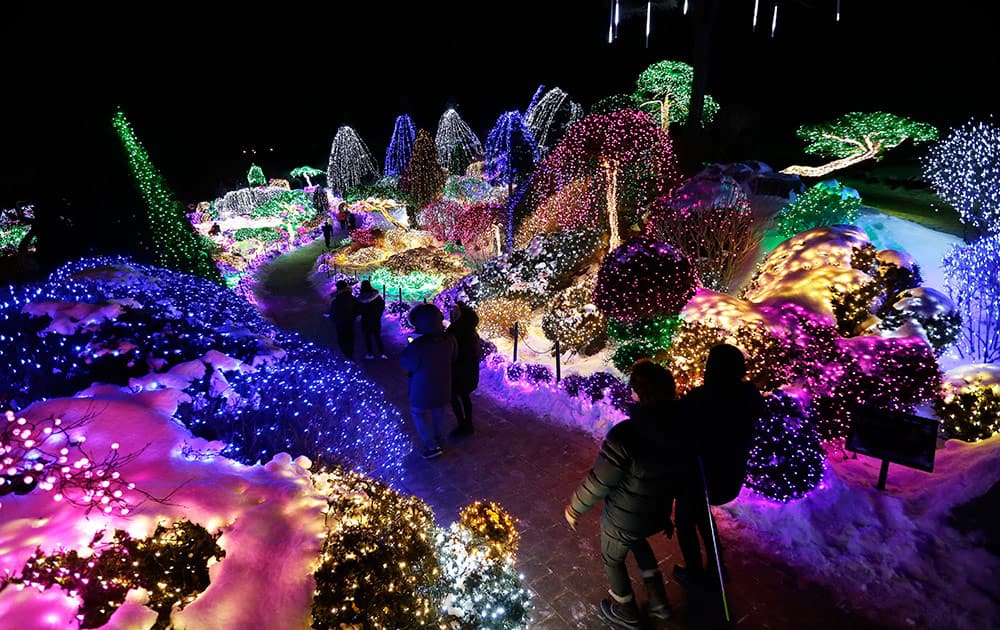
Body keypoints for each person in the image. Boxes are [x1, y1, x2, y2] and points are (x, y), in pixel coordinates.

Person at [564, 359, 681, 628]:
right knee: (638, 540)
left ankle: (625, 609)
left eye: (634, 388)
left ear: (640, 395)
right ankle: (658, 601)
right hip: (656, 511)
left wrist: (574, 508)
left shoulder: (627, 436)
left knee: (612, 557)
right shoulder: (679, 431)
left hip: (624, 517)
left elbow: (599, 482)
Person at [673, 343, 764, 594]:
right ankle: (717, 565)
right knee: (701, 514)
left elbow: (684, 436)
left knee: (685, 520)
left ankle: (694, 573)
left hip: (703, 478)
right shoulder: (748, 398)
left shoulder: (701, 400)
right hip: (729, 479)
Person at [399, 304, 458, 460]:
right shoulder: (450, 339)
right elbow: (454, 358)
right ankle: (440, 439)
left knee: (417, 412)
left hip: (422, 387)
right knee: (439, 411)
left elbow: (407, 365)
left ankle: (431, 446)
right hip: (444, 384)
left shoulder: (418, 345)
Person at [445, 302, 481, 437]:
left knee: (454, 397)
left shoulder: (454, 331)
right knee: (465, 397)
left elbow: (449, 351)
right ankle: (468, 423)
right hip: (469, 371)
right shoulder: (473, 333)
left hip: (456, 370)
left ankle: (462, 424)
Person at [327, 280, 359, 360]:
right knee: (350, 337)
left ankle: (346, 353)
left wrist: (333, 318)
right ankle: (350, 353)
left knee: (342, 338)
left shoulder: (336, 300)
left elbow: (333, 312)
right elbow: (358, 310)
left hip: (340, 322)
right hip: (350, 321)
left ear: (338, 288)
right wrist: (353, 316)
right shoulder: (353, 298)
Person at [358, 280, 387, 359]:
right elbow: (382, 305)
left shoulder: (361, 297)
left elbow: (359, 309)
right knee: (377, 336)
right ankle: (382, 353)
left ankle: (370, 354)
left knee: (367, 337)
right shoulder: (377, 296)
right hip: (376, 319)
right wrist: (379, 314)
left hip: (366, 320)